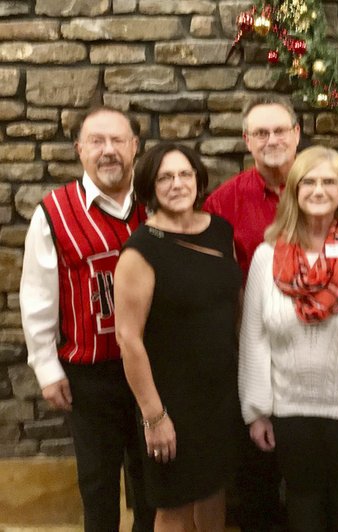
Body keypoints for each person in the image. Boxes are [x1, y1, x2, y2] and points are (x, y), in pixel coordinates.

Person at [203, 95, 338, 530]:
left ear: (297, 134)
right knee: (267, 492)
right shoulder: (226, 205)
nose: (271, 139)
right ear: (247, 140)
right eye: (260, 132)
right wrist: (256, 404)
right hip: (274, 377)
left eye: (280, 130)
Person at [239, 146, 338, 532]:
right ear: (294, 191)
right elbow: (254, 338)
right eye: (309, 182)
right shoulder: (267, 257)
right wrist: (256, 409)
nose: (318, 190)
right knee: (302, 503)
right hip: (289, 410)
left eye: (329, 182)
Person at [19, 107, 155, 531]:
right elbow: (38, 296)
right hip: (90, 374)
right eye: (97, 141)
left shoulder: (159, 202)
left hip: (155, 369)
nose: (108, 151)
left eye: (118, 141)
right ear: (80, 150)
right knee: (97, 486)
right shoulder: (53, 213)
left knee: (153, 480)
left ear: (135, 147)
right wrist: (45, 367)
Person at [115, 144, 242, 531]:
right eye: (165, 177)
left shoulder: (220, 231)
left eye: (184, 174)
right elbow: (129, 339)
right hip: (171, 399)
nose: (177, 184)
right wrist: (154, 417)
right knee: (174, 504)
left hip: (219, 395)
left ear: (197, 179)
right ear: (150, 188)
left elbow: (232, 305)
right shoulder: (141, 250)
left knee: (213, 490)